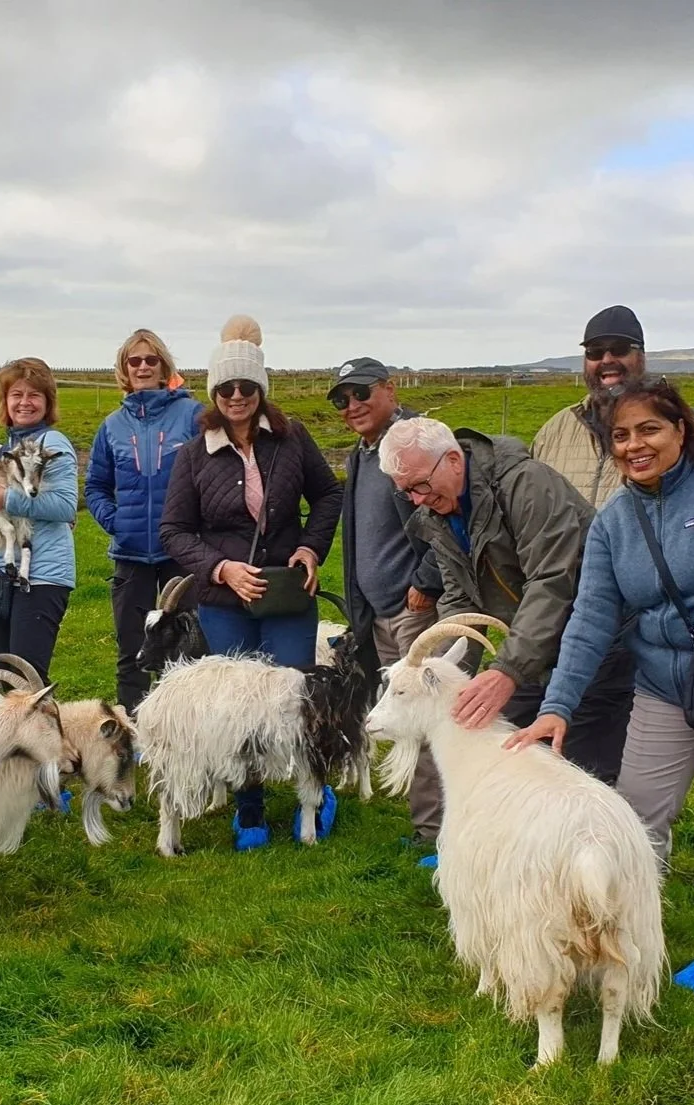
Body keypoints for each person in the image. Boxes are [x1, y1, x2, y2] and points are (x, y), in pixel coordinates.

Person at [510, 378, 694, 997]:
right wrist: (558, 705)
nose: (634, 445)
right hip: (662, 687)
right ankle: (635, 924)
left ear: (680, 429)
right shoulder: (615, 521)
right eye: (621, 435)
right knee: (637, 815)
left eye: (649, 429)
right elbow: (590, 617)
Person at [159, 327, 343, 849]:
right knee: (238, 708)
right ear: (213, 395)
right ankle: (250, 807)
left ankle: (314, 793)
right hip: (225, 603)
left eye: (246, 386)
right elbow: (173, 531)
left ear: (261, 389)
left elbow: (328, 496)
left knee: (295, 697)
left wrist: (309, 549)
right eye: (225, 389)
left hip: (286, 596)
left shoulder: (292, 440)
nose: (236, 396)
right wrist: (221, 569)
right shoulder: (194, 454)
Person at [378, 415, 635, 782]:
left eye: (420, 484)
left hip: (599, 646)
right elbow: (459, 599)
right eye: (406, 491)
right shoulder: (440, 513)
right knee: (504, 752)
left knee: (584, 774)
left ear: (453, 460)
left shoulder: (527, 486)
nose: (418, 499)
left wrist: (508, 671)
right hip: (535, 649)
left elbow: (551, 581)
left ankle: (626, 835)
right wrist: (438, 673)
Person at [328, 356, 446, 864]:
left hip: (412, 608)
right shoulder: (364, 451)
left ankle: (440, 831)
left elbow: (444, 513)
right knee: (406, 715)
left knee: (431, 718)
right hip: (378, 611)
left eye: (360, 393)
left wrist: (427, 581)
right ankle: (428, 826)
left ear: (390, 390)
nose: (351, 406)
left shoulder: (413, 444)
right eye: (341, 399)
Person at [85, 326, 204, 710]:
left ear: (163, 366)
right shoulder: (112, 426)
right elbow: (96, 486)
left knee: (185, 648)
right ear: (124, 368)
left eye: (150, 360)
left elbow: (210, 475)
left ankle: (186, 729)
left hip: (181, 553)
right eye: (134, 360)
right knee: (132, 652)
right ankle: (133, 734)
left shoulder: (191, 414)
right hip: (131, 554)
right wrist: (116, 523)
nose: (142, 366)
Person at [0, 358, 77, 680]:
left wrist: (5, 498)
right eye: (16, 394)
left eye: (34, 395)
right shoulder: (2, 452)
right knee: (9, 677)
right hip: (4, 575)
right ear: (5, 402)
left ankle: (48, 731)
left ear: (47, 402)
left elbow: (65, 506)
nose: (24, 402)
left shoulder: (52, 443)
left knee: (27, 680)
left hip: (41, 576)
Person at [531, 305, 647, 509]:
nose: (607, 359)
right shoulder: (553, 432)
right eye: (595, 352)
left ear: (641, 356)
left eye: (620, 349)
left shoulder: (671, 429)